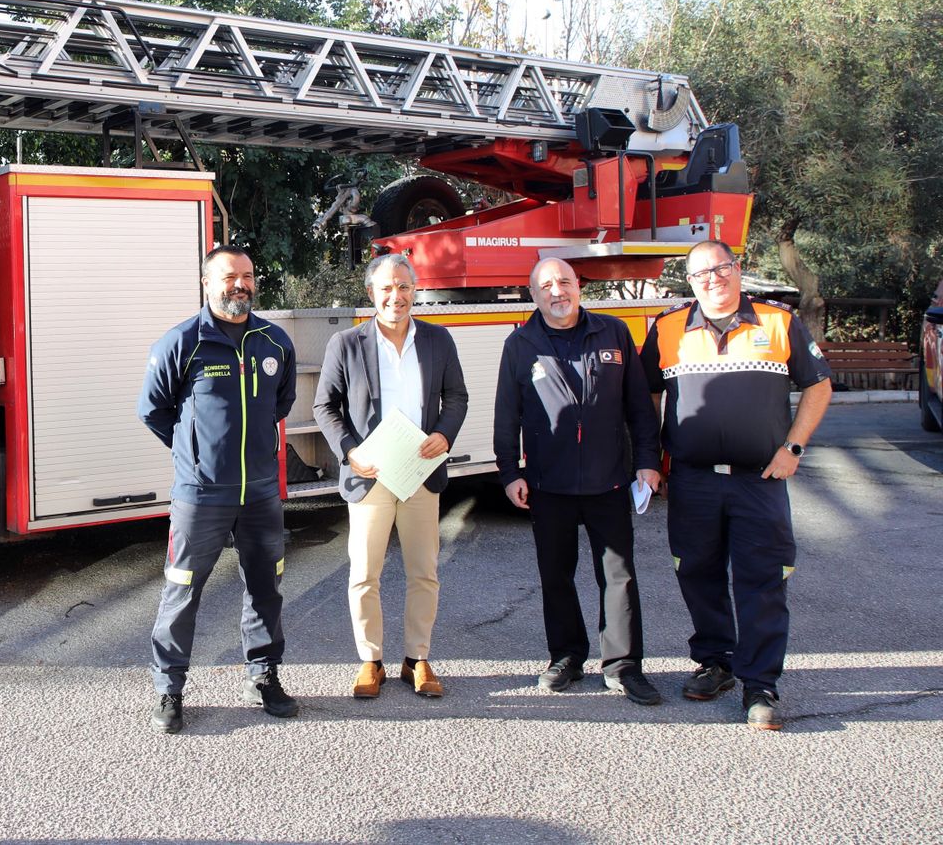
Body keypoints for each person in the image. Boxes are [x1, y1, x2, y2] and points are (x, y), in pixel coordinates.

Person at [642, 239, 832, 730]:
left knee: (762, 581)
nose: (713, 279)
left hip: (759, 480)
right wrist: (649, 459)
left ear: (737, 267)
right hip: (692, 481)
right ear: (690, 281)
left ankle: (760, 684)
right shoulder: (667, 328)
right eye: (702, 273)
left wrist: (793, 448)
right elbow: (646, 397)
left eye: (721, 268)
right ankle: (716, 663)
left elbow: (818, 384)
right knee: (697, 573)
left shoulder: (778, 321)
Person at [137, 245, 299, 734]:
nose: (240, 285)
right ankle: (169, 689)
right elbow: (153, 410)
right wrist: (194, 454)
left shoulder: (274, 342)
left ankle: (263, 675)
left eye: (247, 275)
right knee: (182, 589)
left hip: (261, 493)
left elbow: (281, 403)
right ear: (207, 283)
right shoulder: (182, 342)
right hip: (201, 495)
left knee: (266, 587)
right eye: (229, 276)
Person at [493, 257, 664, 705]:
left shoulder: (613, 332)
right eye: (547, 285)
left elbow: (639, 407)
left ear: (578, 286)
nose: (558, 291)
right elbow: (506, 415)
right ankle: (566, 657)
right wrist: (510, 472)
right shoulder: (520, 344)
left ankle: (623, 666)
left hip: (610, 481)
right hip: (548, 484)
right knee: (556, 576)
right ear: (534, 295)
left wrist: (648, 461)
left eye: (565, 281)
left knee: (619, 577)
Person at [312, 253, 468, 699]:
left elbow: (456, 396)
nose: (395, 296)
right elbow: (325, 406)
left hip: (420, 473)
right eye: (386, 287)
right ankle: (371, 660)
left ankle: (417, 659)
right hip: (370, 476)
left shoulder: (438, 340)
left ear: (414, 290)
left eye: (403, 286)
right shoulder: (346, 344)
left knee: (424, 572)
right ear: (371, 293)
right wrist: (350, 451)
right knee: (364, 574)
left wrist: (444, 434)